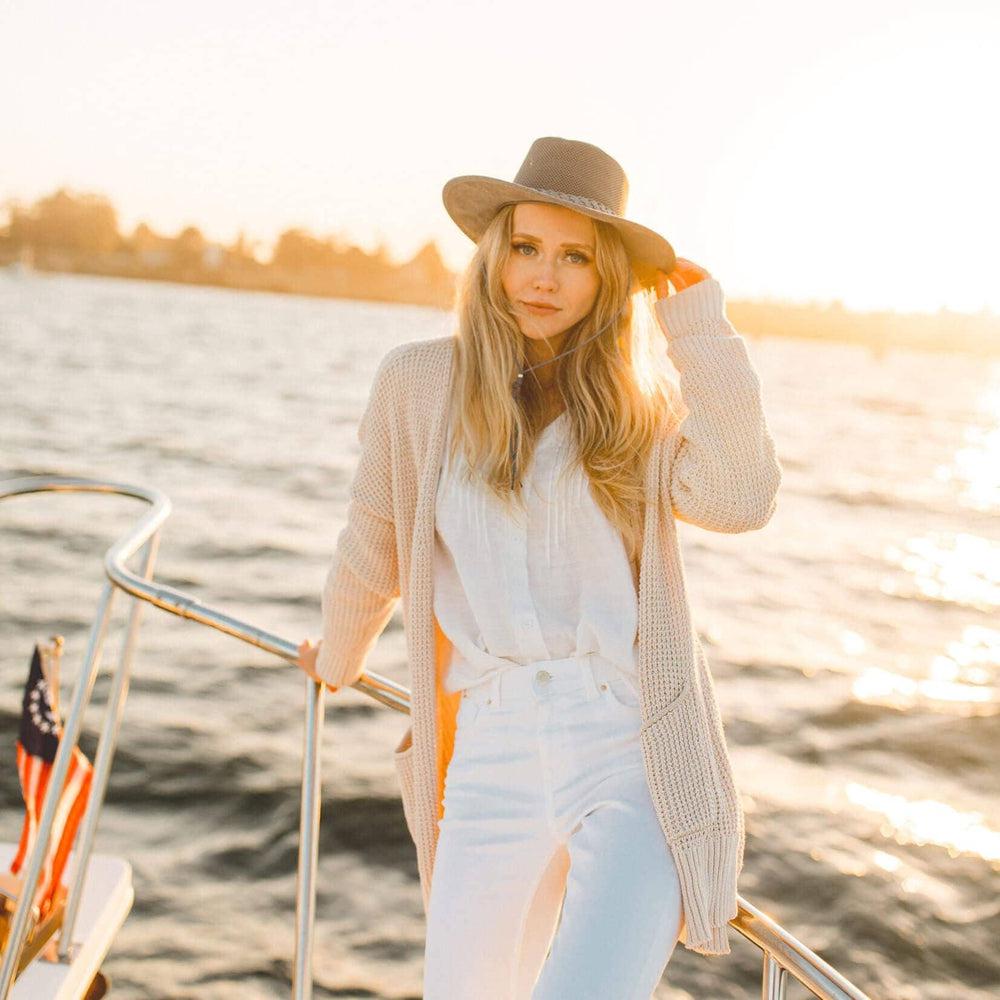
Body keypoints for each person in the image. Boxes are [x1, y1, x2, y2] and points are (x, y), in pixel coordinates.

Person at [295, 136, 782, 999]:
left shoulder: (639, 410)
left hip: (628, 753)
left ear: (606, 282)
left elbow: (742, 498)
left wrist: (699, 325)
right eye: (525, 248)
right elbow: (373, 540)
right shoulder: (416, 382)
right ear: (494, 256)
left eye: (574, 258)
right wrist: (337, 656)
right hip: (487, 752)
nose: (543, 278)